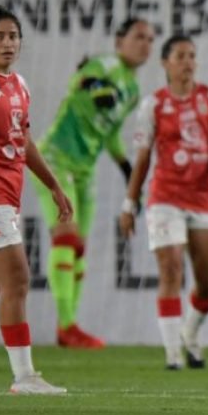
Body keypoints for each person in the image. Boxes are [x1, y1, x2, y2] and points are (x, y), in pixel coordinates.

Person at [0, 5, 73, 393]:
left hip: (6, 197)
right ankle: (24, 377)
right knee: (18, 279)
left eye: (13, 36)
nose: (8, 43)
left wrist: (53, 185)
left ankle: (25, 376)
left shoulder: (19, 85)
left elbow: (23, 142)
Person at [33, 17, 154, 348]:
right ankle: (66, 324)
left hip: (86, 169)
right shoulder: (105, 63)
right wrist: (97, 89)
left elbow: (110, 132)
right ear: (119, 41)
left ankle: (68, 326)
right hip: (55, 159)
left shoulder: (132, 90)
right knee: (66, 238)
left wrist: (126, 167)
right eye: (139, 36)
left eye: (150, 39)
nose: (145, 44)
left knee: (80, 248)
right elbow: (81, 81)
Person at [119, 35, 208, 369]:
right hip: (165, 197)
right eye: (181, 56)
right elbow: (142, 158)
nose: (188, 62)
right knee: (170, 269)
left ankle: (190, 332)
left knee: (207, 281)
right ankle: (172, 354)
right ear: (165, 63)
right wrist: (130, 203)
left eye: (192, 56)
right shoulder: (153, 105)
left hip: (204, 197)